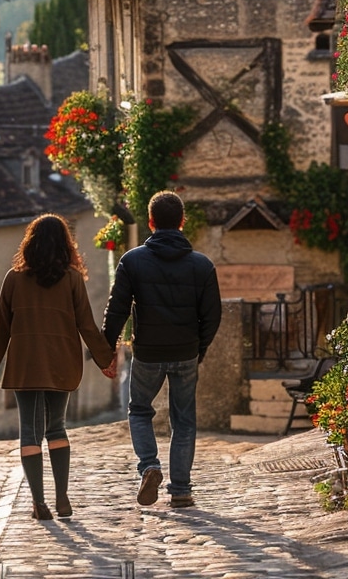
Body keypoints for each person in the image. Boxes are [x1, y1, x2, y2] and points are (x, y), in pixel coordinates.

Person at [0, 214, 117, 521]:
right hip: (61, 361)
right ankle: (62, 497)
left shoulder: (13, 278)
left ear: (30, 244)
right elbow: (86, 325)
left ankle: (39, 502)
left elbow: (0, 327)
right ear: (65, 245)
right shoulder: (71, 279)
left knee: (29, 431)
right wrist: (105, 360)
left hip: (25, 363)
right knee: (57, 428)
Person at [102, 190, 220, 509]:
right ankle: (180, 489)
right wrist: (200, 349)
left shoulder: (133, 261)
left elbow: (117, 310)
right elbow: (212, 316)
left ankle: (149, 466)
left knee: (140, 410)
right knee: (184, 420)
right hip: (186, 352)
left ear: (150, 222)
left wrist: (106, 350)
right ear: (182, 222)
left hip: (148, 352)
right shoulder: (201, 265)